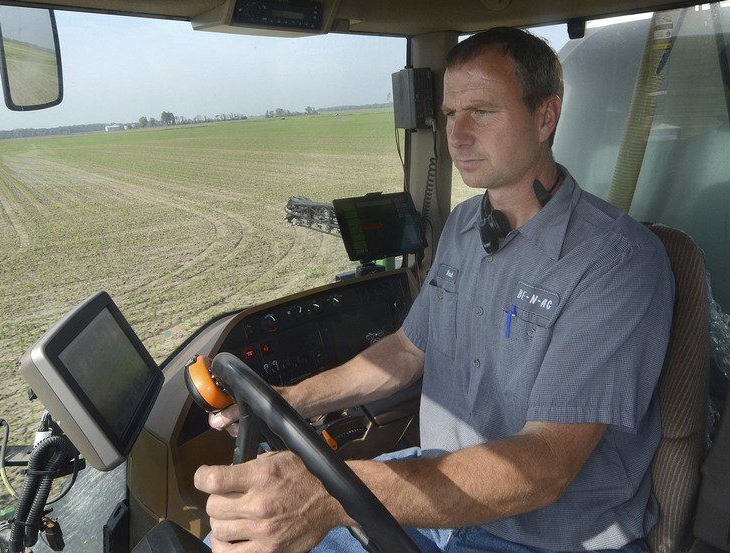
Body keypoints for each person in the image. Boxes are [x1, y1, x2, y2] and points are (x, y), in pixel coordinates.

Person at [194, 27, 675, 553]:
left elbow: (545, 465)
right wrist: (289, 402)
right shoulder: (467, 225)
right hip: (437, 491)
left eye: (483, 112)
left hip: (544, 534)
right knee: (238, 538)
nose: (458, 135)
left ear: (546, 117)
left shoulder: (616, 262)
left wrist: (328, 497)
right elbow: (407, 349)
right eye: (450, 115)